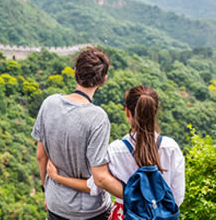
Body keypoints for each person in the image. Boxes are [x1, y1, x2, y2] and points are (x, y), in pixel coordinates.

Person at [47, 85, 185, 220]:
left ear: (127, 112)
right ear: (155, 112)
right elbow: (177, 197)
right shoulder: (171, 148)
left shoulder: (115, 151)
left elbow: (94, 186)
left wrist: (58, 178)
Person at [32, 47, 123, 220]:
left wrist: (48, 189)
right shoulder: (97, 117)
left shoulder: (49, 104)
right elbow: (100, 179)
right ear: (104, 79)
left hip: (56, 206)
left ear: (75, 72)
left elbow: (40, 156)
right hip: (91, 212)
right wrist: (138, 198)